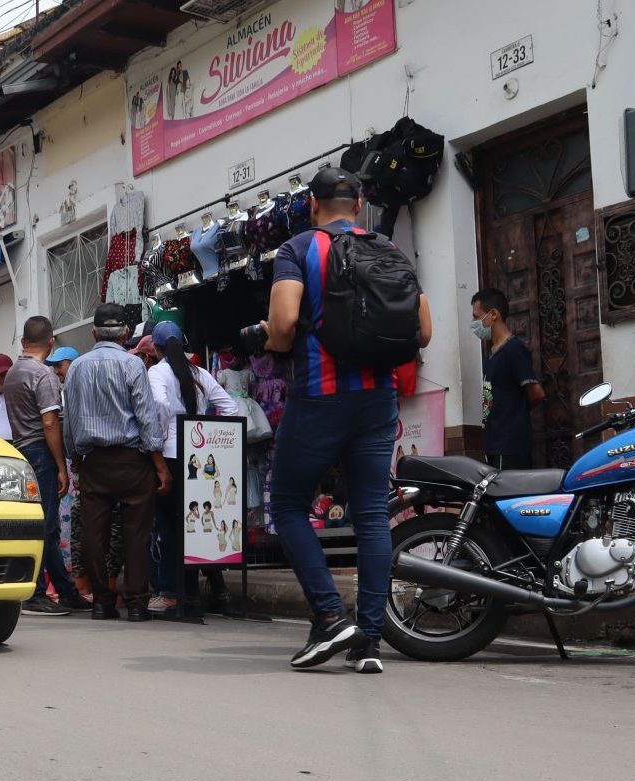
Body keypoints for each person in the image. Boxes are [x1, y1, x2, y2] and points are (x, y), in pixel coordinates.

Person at [259, 165, 431, 673]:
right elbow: (422, 331)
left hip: (318, 395)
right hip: (378, 398)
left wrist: (270, 336)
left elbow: (286, 325)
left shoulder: (297, 249)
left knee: (287, 504)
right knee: (373, 515)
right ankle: (370, 642)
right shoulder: (389, 250)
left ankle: (332, 616)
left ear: (312, 205)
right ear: (359, 205)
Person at [62, 303, 170, 622]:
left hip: (93, 461)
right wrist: (160, 464)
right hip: (131, 460)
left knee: (94, 533)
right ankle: (136, 604)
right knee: (136, 532)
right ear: (125, 333)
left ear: (94, 333)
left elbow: (68, 422)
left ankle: (101, 602)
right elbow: (146, 418)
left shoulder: (77, 368)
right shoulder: (132, 364)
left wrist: (75, 458)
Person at [144, 322, 238, 615]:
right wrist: (210, 434)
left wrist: (159, 435)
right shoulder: (199, 373)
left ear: (156, 349)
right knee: (200, 522)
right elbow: (231, 408)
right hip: (200, 454)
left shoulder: (157, 372)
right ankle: (215, 590)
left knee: (170, 525)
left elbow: (159, 402)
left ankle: (176, 593)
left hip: (171, 454)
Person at [3, 316, 87, 615]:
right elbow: (50, 423)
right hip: (41, 452)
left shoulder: (13, 372)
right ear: (51, 342)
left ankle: (65, 590)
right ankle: (36, 592)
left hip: (22, 450)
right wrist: (61, 466)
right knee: (46, 525)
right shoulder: (43, 375)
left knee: (44, 526)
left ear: (24, 341)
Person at [472, 287, 544, 469]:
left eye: (476, 317)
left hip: (509, 445)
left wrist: (514, 412)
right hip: (494, 445)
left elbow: (536, 394)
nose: (473, 323)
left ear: (493, 314)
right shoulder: (492, 355)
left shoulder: (514, 350)